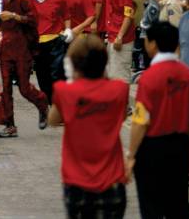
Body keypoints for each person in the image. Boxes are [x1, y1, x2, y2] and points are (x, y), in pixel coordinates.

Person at [49, 35, 129, 218]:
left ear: (73, 64)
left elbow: (53, 120)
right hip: (112, 180)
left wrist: (70, 79)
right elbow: (122, 115)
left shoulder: (65, 90)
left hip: (76, 181)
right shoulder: (119, 90)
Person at [125, 21, 189, 218]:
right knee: (179, 204)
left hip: (152, 149)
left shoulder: (149, 78)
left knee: (151, 206)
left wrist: (131, 155)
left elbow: (140, 121)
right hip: (180, 146)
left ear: (153, 44)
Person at [0, 0, 49, 138]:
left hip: (21, 48)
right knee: (6, 87)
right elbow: (5, 26)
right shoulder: (4, 0)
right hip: (6, 47)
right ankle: (10, 125)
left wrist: (14, 16)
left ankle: (42, 102)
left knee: (24, 88)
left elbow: (33, 20)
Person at [31, 0, 71, 103]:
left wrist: (68, 30)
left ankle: (60, 104)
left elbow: (66, 17)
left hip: (55, 42)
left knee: (57, 74)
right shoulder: (29, 1)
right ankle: (50, 103)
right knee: (42, 75)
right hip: (37, 43)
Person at [101, 0, 135, 85]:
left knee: (120, 75)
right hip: (112, 36)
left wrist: (120, 36)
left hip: (121, 38)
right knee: (112, 73)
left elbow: (128, 15)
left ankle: (123, 104)